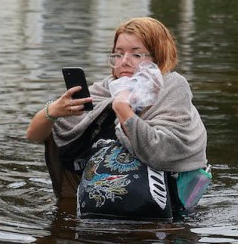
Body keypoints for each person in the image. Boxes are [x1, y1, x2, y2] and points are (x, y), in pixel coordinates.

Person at [25, 17, 208, 216]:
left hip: (161, 211)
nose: (124, 62)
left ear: (158, 55)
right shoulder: (105, 89)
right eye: (118, 54)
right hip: (98, 206)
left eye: (137, 55)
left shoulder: (172, 86)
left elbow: (162, 151)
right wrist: (52, 111)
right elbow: (34, 135)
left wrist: (122, 107)